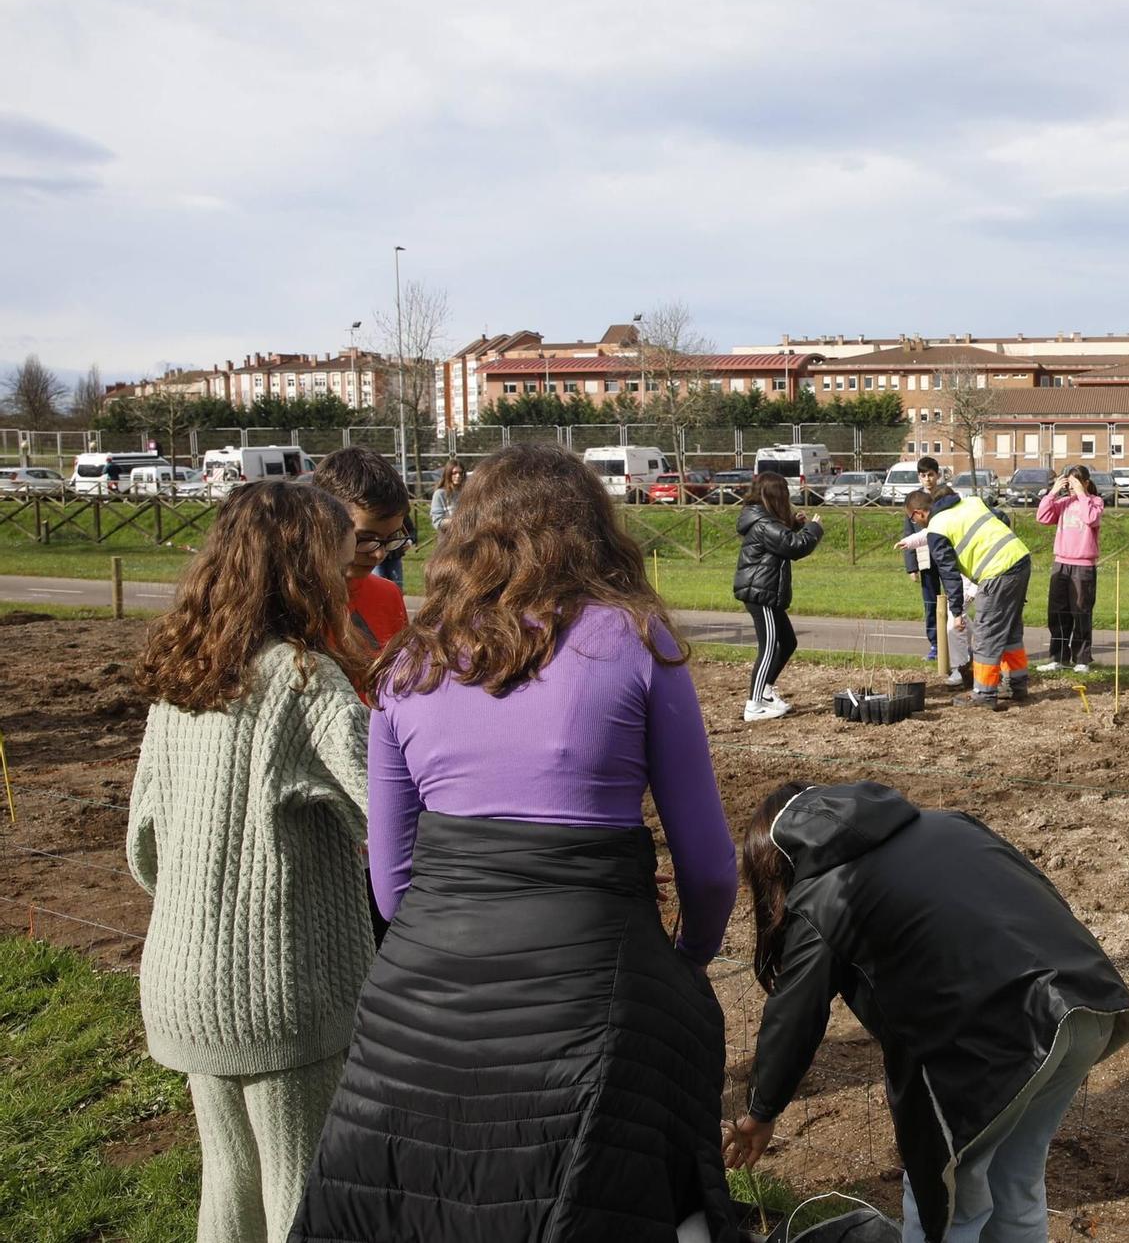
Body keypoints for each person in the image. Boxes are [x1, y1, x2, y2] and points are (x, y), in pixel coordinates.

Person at [289, 443, 740, 1243]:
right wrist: (685, 958)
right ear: (593, 532)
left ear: (465, 535)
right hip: (590, 988)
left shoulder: (406, 664)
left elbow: (392, 887)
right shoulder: (637, 642)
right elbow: (707, 867)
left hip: (416, 1006)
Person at [725, 781, 1129, 1243]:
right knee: (1015, 1183)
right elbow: (1039, 890)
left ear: (774, 861)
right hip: (1086, 1000)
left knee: (944, 1206)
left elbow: (794, 1015)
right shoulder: (947, 823)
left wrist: (761, 1112)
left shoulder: (825, 892)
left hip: (999, 1041)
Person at [126, 481, 372, 1243]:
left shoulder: (184, 675)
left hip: (184, 981)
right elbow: (395, 812)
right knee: (304, 1190)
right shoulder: (307, 681)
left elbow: (142, 843)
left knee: (229, 1179)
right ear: (303, 569)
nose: (350, 575)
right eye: (339, 559)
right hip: (284, 991)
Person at [898, 485, 1031, 709]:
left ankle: (984, 692)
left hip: (996, 573)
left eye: (913, 519)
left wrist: (957, 611)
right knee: (1010, 629)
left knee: (985, 634)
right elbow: (1002, 518)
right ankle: (1016, 683)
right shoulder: (971, 502)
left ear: (918, 514)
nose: (916, 523)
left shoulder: (937, 529)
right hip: (1020, 559)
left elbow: (949, 574)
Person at [734, 471, 824, 722]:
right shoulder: (763, 524)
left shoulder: (764, 520)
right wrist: (814, 529)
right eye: (785, 493)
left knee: (787, 642)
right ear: (775, 496)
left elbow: (783, 540)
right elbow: (796, 547)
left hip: (766, 591)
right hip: (760, 593)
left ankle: (765, 692)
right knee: (769, 648)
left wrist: (795, 525)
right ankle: (754, 705)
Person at [310, 447, 411, 651]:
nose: (379, 554)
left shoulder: (388, 596)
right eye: (365, 538)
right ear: (320, 520)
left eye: (391, 538)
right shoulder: (288, 600)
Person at [1034, 466, 1103, 673]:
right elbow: (1042, 517)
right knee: (1057, 612)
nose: (1072, 487)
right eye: (1070, 483)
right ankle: (1058, 657)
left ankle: (1081, 658)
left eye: (1076, 482)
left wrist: (1081, 493)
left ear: (1086, 482)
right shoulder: (1063, 503)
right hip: (1061, 563)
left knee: (1081, 611)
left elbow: (1091, 518)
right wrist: (1053, 492)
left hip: (1083, 566)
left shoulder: (1095, 503)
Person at [901, 457, 947, 660]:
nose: (927, 479)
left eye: (931, 475)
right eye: (923, 475)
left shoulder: (945, 496)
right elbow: (908, 533)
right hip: (925, 559)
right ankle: (935, 644)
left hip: (946, 556)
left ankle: (954, 642)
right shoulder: (914, 500)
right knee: (930, 604)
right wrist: (912, 567)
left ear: (937, 475)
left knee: (955, 600)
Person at [428, 458, 466, 532]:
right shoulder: (439, 494)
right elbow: (437, 522)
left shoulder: (466, 492)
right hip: (448, 537)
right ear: (448, 473)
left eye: (460, 473)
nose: (458, 476)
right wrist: (459, 520)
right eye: (454, 473)